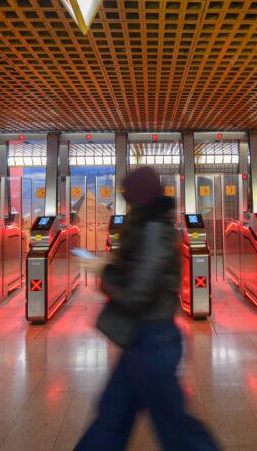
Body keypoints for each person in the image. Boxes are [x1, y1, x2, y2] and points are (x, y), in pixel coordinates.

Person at [75, 167, 220, 451]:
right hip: (140, 340)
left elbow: (139, 292)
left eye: (128, 194)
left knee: (177, 429)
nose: (125, 199)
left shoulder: (153, 228)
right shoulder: (145, 224)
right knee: (111, 418)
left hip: (154, 340)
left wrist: (104, 273)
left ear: (139, 195)